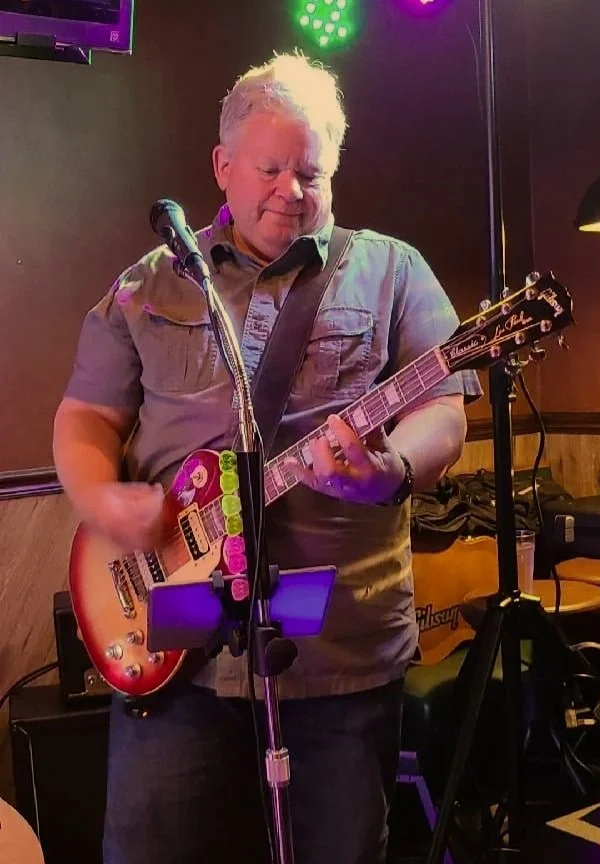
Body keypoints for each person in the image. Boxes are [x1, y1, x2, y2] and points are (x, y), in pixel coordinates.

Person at [53, 52, 481, 864]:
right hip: (172, 645)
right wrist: (110, 504)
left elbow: (443, 411)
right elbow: (84, 419)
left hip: (339, 662)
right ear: (222, 166)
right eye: (271, 168)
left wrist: (386, 470)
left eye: (311, 172)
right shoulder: (150, 286)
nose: (292, 189)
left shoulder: (392, 270)